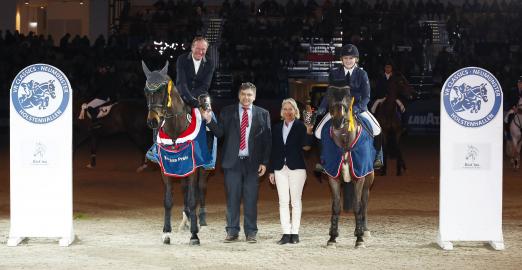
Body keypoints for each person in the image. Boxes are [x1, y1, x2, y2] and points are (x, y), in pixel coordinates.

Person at [202, 82, 271, 243]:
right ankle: (232, 231)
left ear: (254, 97)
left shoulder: (263, 113)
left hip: (253, 163)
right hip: (232, 163)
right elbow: (219, 133)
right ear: (239, 95)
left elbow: (268, 141)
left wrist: (265, 162)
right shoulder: (227, 111)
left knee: (251, 199)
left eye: (249, 95)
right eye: (243, 94)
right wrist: (209, 120)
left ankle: (251, 232)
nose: (246, 97)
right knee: (232, 199)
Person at [316, 44, 383, 168]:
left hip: (358, 107)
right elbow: (329, 93)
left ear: (356, 59)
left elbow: (367, 96)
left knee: (377, 128)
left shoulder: (362, 74)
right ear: (341, 59)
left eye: (351, 58)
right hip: (338, 108)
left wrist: (357, 109)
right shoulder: (334, 73)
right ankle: (322, 159)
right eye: (345, 58)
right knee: (318, 132)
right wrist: (321, 108)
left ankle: (378, 157)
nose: (348, 61)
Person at [268, 98, 313, 245]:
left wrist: (309, 132)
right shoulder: (276, 127)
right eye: (285, 109)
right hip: (279, 168)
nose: (288, 112)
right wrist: (271, 171)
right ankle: (286, 233)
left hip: (297, 168)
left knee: (295, 201)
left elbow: (306, 148)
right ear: (282, 111)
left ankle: (295, 233)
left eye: (291, 109)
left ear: (295, 111)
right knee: (283, 202)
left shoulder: (301, 126)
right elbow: (273, 150)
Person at [176, 36, 215, 108]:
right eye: (197, 48)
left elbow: (205, 85)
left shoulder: (210, 63)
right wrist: (189, 98)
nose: (200, 52)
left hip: (201, 95)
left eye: (203, 49)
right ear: (192, 48)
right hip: (182, 93)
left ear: (206, 50)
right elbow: (182, 83)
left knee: (209, 117)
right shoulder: (182, 59)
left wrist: (194, 98)